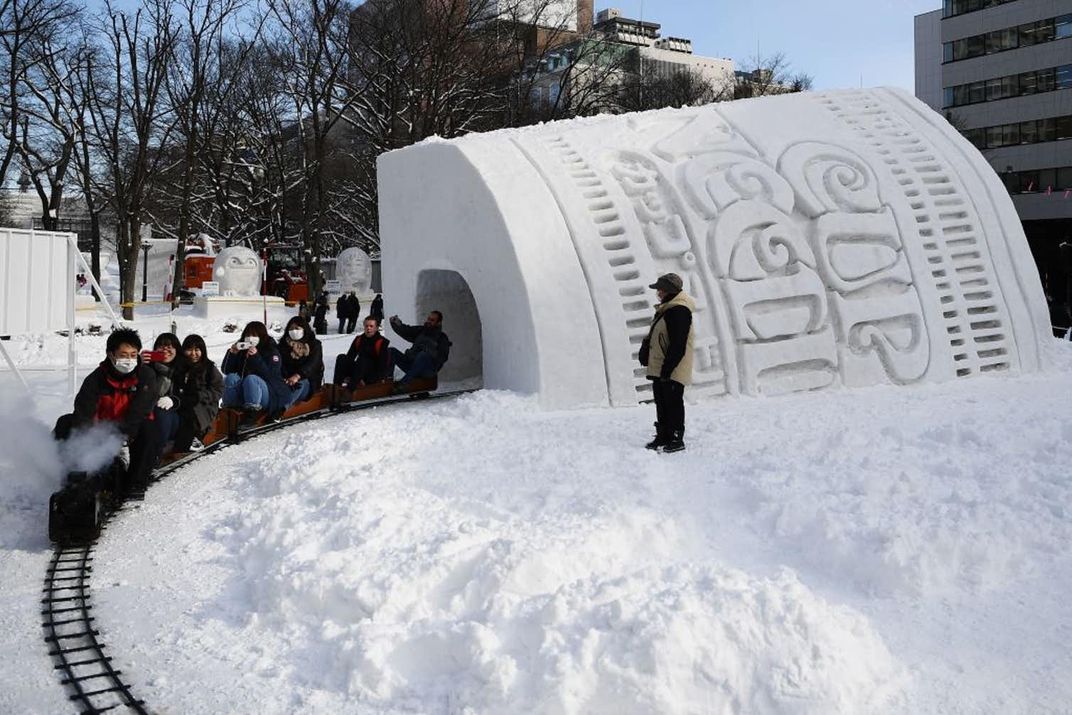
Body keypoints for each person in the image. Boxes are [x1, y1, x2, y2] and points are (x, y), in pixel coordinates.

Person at [53, 328, 158, 493]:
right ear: (111, 355)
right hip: (101, 427)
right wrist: (84, 442)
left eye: (133, 355)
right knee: (65, 423)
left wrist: (123, 438)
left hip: (131, 429)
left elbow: (139, 411)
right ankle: (70, 478)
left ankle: (135, 483)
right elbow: (84, 412)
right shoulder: (95, 380)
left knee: (150, 428)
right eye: (123, 355)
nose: (129, 359)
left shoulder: (146, 376)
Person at [639, 273, 694, 453]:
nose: (658, 293)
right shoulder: (667, 309)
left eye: (661, 290)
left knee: (673, 403)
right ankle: (663, 435)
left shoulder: (679, 310)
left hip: (672, 368)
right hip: (661, 366)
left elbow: (678, 344)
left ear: (669, 290)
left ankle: (676, 438)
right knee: (662, 402)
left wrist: (668, 368)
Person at [221, 321, 292, 419]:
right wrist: (232, 354)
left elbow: (271, 375)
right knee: (231, 377)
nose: (250, 338)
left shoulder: (271, 350)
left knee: (251, 379)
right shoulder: (242, 349)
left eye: (254, 335)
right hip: (245, 392)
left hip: (268, 394)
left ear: (261, 336)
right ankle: (230, 409)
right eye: (248, 335)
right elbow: (226, 370)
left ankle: (252, 414)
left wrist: (256, 357)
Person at [171, 334, 224, 452]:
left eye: (197, 349)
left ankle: (193, 439)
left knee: (191, 412)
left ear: (203, 351)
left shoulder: (209, 368)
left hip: (204, 404)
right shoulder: (179, 367)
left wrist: (201, 396)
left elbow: (218, 389)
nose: (193, 353)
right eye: (189, 349)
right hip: (183, 400)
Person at [388, 311, 450, 387]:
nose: (429, 321)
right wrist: (396, 323)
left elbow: (443, 357)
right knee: (391, 351)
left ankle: (403, 383)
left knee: (423, 355)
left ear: (438, 323)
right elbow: (407, 331)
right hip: (411, 365)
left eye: (432, 320)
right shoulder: (421, 331)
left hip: (427, 371)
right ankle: (388, 381)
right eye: (428, 319)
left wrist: (429, 352)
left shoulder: (442, 338)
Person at [145, 332, 185, 451]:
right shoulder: (148, 368)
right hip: (148, 414)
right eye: (161, 347)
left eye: (170, 347)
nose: (165, 350)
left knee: (161, 410)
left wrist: (174, 400)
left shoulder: (183, 370)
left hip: (173, 419)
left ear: (177, 350)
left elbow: (191, 396)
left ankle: (156, 452)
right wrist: (139, 365)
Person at [333, 316, 391, 389]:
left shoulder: (381, 342)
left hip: (372, 374)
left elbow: (382, 366)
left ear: (376, 328)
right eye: (366, 326)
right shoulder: (359, 339)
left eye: (371, 326)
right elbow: (350, 357)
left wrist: (375, 380)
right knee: (341, 357)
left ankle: (350, 389)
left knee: (364, 360)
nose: (368, 328)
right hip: (358, 371)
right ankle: (336, 387)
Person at [279, 316, 324, 407]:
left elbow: (313, 364)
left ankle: (282, 409)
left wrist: (298, 376)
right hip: (286, 381)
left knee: (298, 385)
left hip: (308, 381)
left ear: (304, 329)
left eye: (297, 328)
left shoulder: (314, 345)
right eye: (291, 329)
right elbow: (279, 364)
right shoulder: (282, 346)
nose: (294, 331)